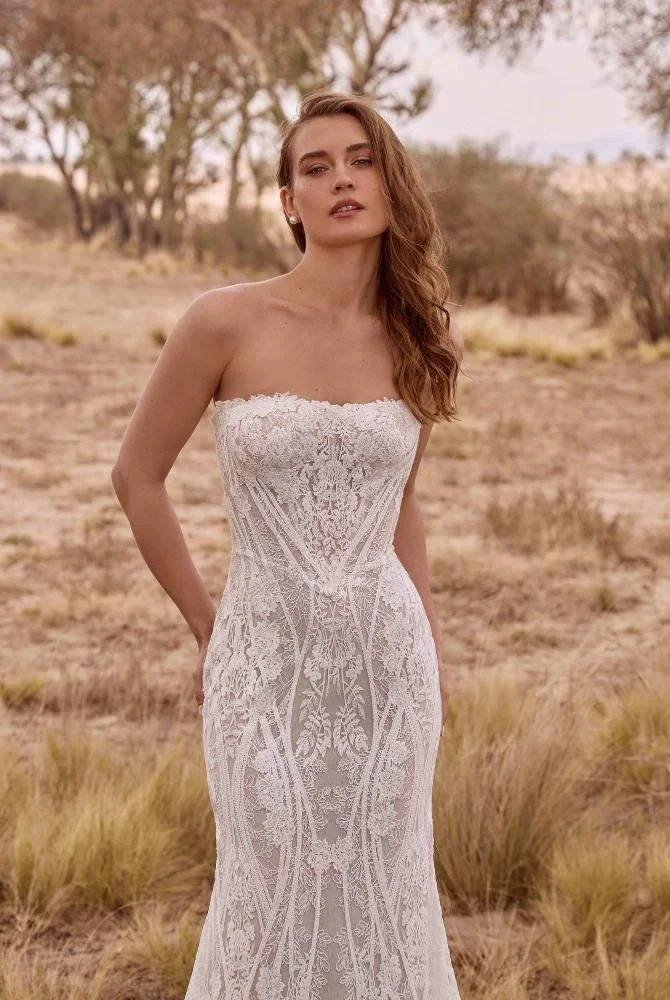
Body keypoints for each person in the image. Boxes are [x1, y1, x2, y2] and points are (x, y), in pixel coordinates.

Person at [111, 88, 464, 1000]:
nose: (342, 179)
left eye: (361, 159)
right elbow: (136, 477)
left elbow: (403, 503)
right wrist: (207, 624)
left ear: (390, 185)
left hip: (388, 671)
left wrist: (427, 641)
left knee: (386, 899)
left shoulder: (414, 335)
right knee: (265, 900)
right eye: (316, 167)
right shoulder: (224, 321)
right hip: (263, 667)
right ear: (287, 201)